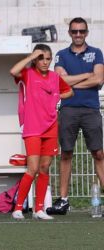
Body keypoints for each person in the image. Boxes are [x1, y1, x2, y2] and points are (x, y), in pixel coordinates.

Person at [47, 17, 104, 215]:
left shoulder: (96, 53)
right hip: (68, 109)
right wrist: (86, 76)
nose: (78, 35)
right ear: (69, 33)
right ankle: (63, 200)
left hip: (91, 109)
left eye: (81, 31)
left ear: (86, 32)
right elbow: (58, 80)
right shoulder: (61, 55)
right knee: (66, 154)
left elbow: (99, 79)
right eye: (74, 31)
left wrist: (70, 82)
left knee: (98, 153)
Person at [9, 44, 73, 220]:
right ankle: (18, 208)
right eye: (41, 58)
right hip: (33, 128)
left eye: (48, 58)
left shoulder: (54, 77)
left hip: (51, 127)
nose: (45, 62)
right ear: (35, 59)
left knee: (45, 168)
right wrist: (30, 57)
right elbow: (13, 71)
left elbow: (69, 92)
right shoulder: (28, 74)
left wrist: (56, 98)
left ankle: (39, 210)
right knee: (33, 168)